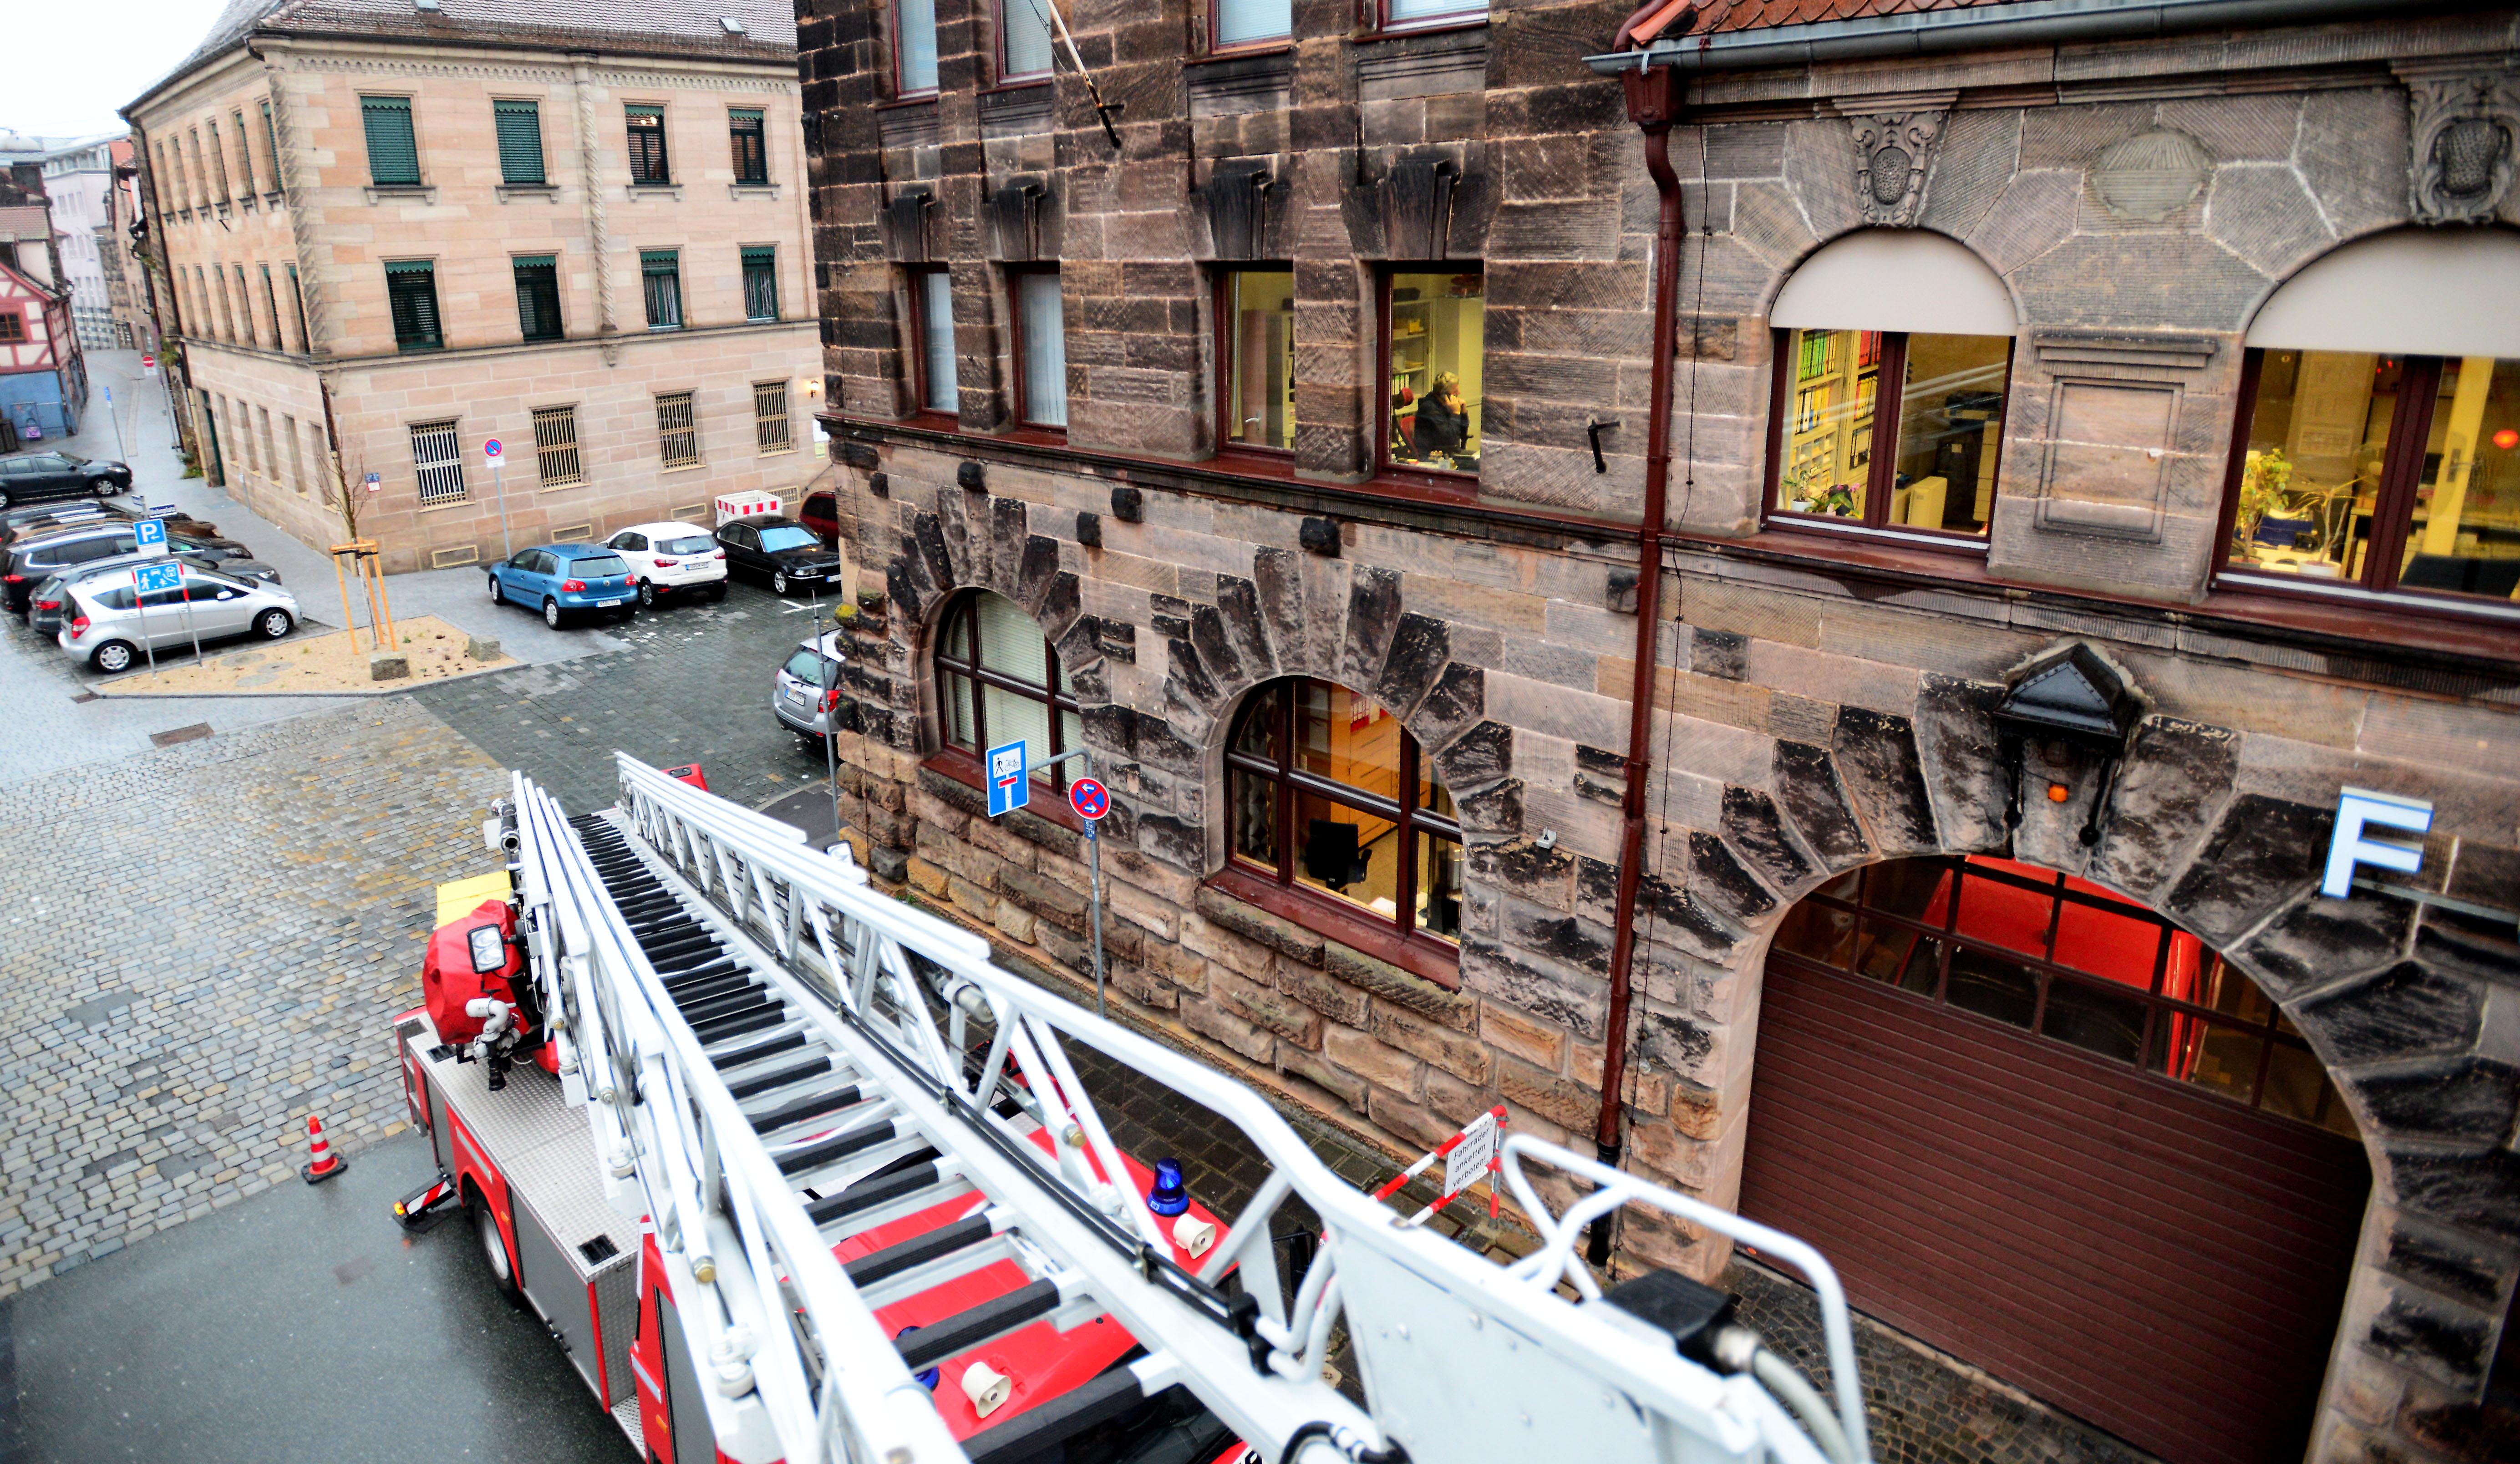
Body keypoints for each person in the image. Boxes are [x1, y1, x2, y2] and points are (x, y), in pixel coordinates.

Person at [1416, 372, 1469, 457]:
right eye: (1455, 392)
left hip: (1450, 453)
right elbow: (1449, 439)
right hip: (1435, 457)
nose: (1459, 393)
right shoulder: (1429, 409)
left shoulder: (1446, 405)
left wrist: (1463, 412)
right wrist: (1455, 414)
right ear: (1444, 394)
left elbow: (1463, 434)